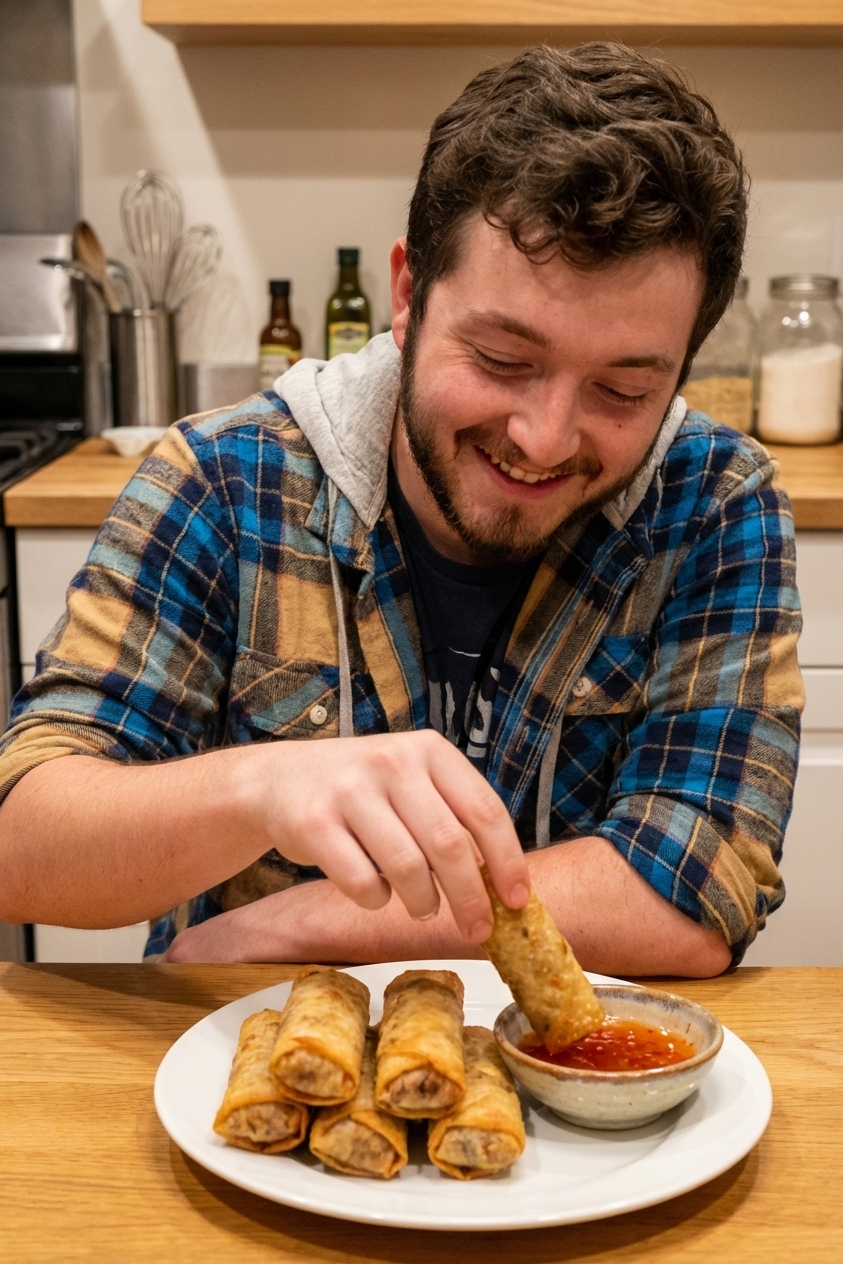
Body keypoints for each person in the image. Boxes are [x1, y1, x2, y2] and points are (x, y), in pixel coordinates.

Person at [0, 44, 802, 974]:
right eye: (502, 360)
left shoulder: (712, 502)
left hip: (581, 1103)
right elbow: (24, 842)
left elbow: (699, 888)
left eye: (623, 390)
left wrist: (309, 922)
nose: (544, 438)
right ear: (409, 293)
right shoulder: (222, 481)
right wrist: (261, 788)